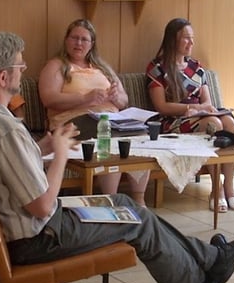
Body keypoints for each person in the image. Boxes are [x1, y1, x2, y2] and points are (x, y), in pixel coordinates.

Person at [0, 31, 234, 283]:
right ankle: (202, 278)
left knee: (124, 204)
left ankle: (211, 260)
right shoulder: (6, 130)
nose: (22, 72)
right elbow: (41, 206)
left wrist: (41, 148)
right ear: (2, 78)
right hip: (39, 236)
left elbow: (1, 170)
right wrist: (60, 156)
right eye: (19, 67)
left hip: (15, 228)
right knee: (137, 219)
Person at [38, 19, 150, 206]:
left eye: (84, 39)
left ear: (92, 44)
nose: (79, 43)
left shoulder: (103, 68)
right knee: (107, 133)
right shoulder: (56, 66)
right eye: (74, 38)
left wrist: (116, 97)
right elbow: (48, 99)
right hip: (73, 123)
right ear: (66, 40)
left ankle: (139, 199)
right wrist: (84, 98)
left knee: (140, 133)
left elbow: (124, 101)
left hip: (111, 118)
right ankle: (111, 200)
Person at [147, 18, 234, 212]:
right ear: (172, 40)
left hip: (200, 115)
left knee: (229, 123)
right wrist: (189, 109)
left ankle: (230, 187)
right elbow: (161, 106)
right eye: (186, 38)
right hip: (173, 120)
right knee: (214, 125)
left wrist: (202, 109)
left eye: (192, 38)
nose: (191, 43)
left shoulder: (196, 67)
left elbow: (207, 102)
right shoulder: (157, 68)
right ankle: (216, 190)